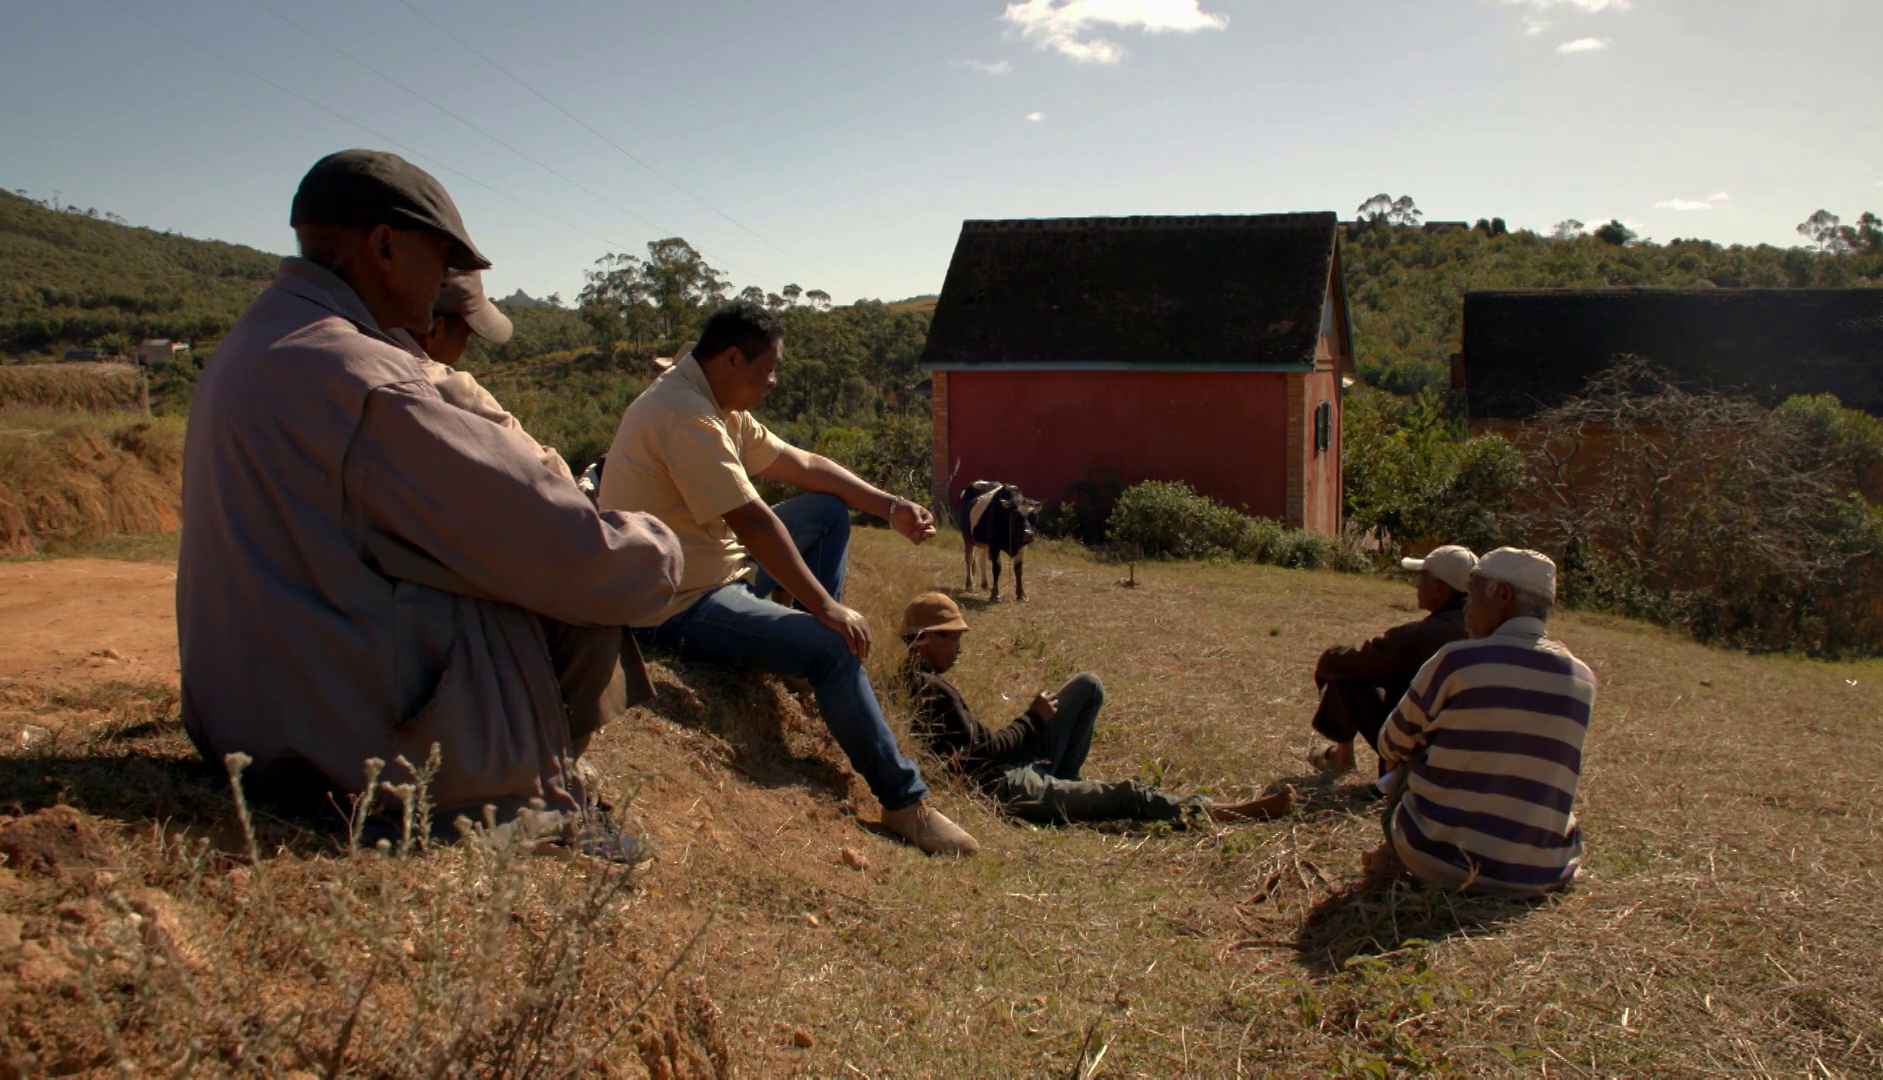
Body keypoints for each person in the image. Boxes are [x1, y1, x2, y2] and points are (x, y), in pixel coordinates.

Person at [177, 149, 683, 858]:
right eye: (441, 259)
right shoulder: (367, 379)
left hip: (243, 716)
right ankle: (539, 794)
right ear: (385, 245)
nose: (446, 285)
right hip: (341, 749)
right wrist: (659, 548)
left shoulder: (256, 343)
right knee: (576, 582)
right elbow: (564, 544)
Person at [596, 303, 977, 856]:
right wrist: (824, 607)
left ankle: (804, 668)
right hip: (674, 603)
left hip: (717, 574)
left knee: (826, 514)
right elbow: (751, 519)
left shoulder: (713, 400)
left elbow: (802, 464)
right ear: (731, 358)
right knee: (832, 644)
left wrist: (888, 505)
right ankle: (905, 803)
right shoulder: (686, 416)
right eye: (767, 369)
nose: (773, 382)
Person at [898, 593, 1296, 824]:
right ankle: (1227, 812)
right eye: (951, 637)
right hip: (1002, 788)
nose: (959, 646)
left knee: (1086, 686)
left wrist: (1032, 723)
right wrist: (1031, 719)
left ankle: (1065, 781)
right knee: (1122, 795)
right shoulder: (930, 690)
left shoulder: (920, 681)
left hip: (1007, 767)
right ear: (923, 640)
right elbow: (979, 755)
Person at [1368, 548, 1597, 896]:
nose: (1466, 606)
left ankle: (1394, 854)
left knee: (1414, 745)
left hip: (1436, 859)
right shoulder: (1583, 679)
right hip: (1541, 873)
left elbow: (1390, 744)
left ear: (1503, 595)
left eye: (1474, 590)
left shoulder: (1457, 661)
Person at [1306, 545, 1475, 787]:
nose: (1417, 585)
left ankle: (1342, 757)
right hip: (1472, 756)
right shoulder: (1485, 629)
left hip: (1423, 758)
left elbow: (1341, 661)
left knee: (1350, 672)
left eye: (1422, 578)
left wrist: (1326, 667)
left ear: (1440, 589)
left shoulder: (1421, 637)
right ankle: (1340, 756)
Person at [391, 271, 573, 483]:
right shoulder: (446, 389)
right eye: (466, 335)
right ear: (435, 331)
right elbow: (549, 475)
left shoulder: (351, 348)